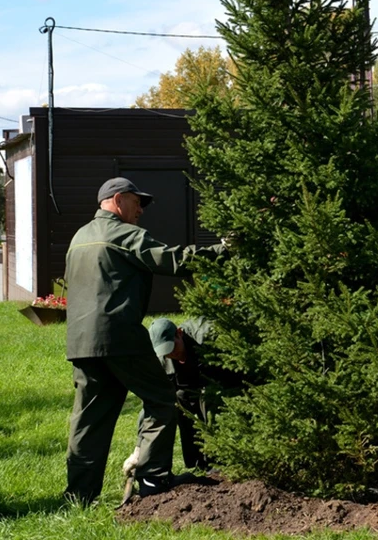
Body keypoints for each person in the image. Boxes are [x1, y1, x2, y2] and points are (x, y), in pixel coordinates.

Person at [62, 177, 225, 504]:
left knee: (89, 420)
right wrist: (223, 252)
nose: (141, 211)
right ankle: (152, 481)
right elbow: (172, 260)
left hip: (80, 341)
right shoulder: (122, 234)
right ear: (118, 200)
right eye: (138, 203)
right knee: (162, 399)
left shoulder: (79, 237)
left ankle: (79, 496)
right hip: (118, 336)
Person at [123, 317, 246, 476]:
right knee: (178, 400)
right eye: (166, 352)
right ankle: (197, 462)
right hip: (189, 385)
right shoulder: (162, 358)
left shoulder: (207, 338)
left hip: (220, 382)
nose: (171, 355)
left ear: (179, 334)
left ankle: (219, 460)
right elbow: (153, 403)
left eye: (172, 348)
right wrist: (138, 451)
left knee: (208, 399)